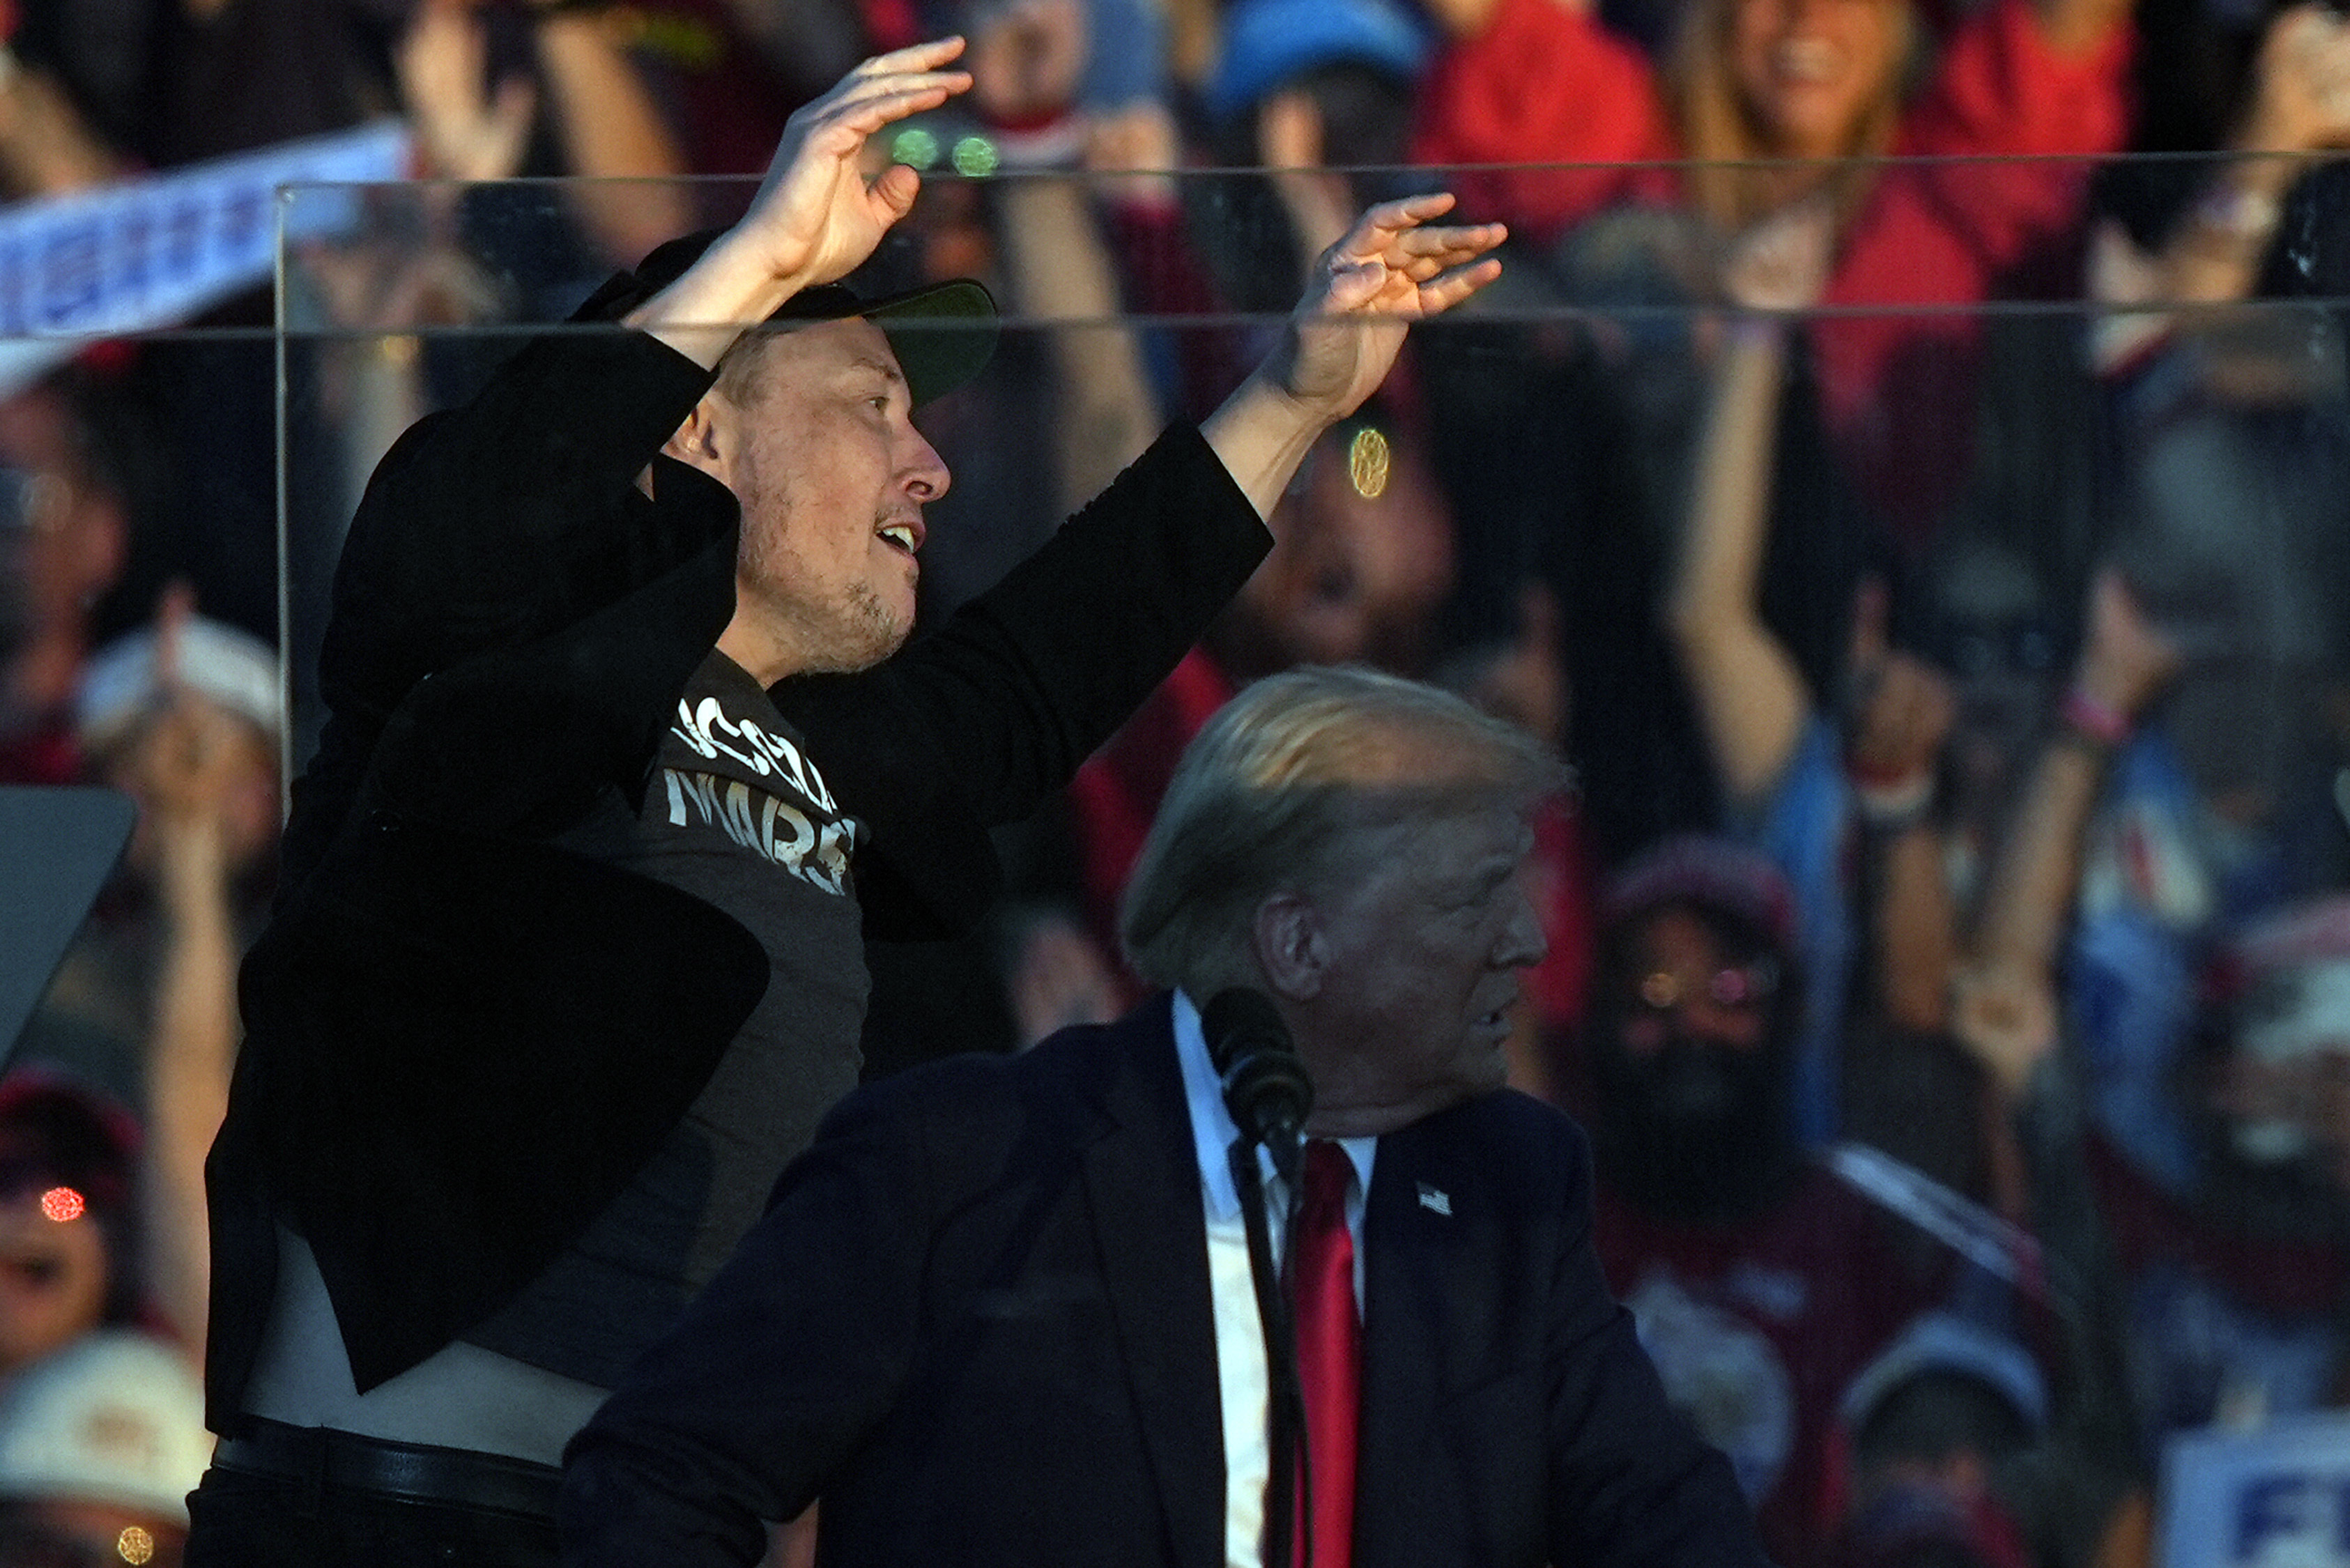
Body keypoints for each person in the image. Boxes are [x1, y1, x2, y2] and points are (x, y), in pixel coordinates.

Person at [188, 34, 1506, 1568]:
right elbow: (474, 524)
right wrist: (758, 258)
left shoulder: (828, 748)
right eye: (873, 404)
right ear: (701, 427)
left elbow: (1037, 672)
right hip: (391, 1529)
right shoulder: (496, 647)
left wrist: (1290, 396)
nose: (929, 465)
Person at [560, 666, 1770, 1568]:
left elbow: (1671, 1533)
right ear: (1299, 941)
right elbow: (662, 1476)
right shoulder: (967, 1161)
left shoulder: (1514, 1192)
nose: (1530, 944)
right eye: (1473, 901)